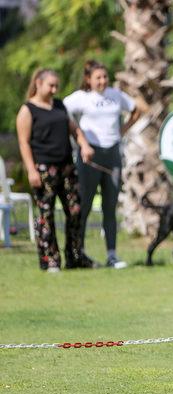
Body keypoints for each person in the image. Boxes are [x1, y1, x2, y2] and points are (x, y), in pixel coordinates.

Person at [64, 60, 145, 269]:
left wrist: (123, 129)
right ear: (88, 79)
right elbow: (60, 112)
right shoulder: (81, 98)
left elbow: (136, 109)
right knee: (85, 204)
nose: (102, 81)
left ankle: (112, 255)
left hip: (113, 155)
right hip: (90, 155)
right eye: (97, 77)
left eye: (104, 77)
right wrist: (79, 136)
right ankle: (78, 251)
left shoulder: (115, 96)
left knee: (110, 205)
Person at [15, 68, 95, 272]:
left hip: (67, 166)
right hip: (43, 168)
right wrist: (31, 170)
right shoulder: (28, 110)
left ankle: (75, 256)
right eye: (51, 85)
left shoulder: (59, 106)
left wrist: (84, 144)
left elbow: (74, 129)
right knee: (46, 214)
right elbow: (23, 143)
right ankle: (50, 259)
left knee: (75, 211)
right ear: (38, 84)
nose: (54, 89)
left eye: (56, 85)